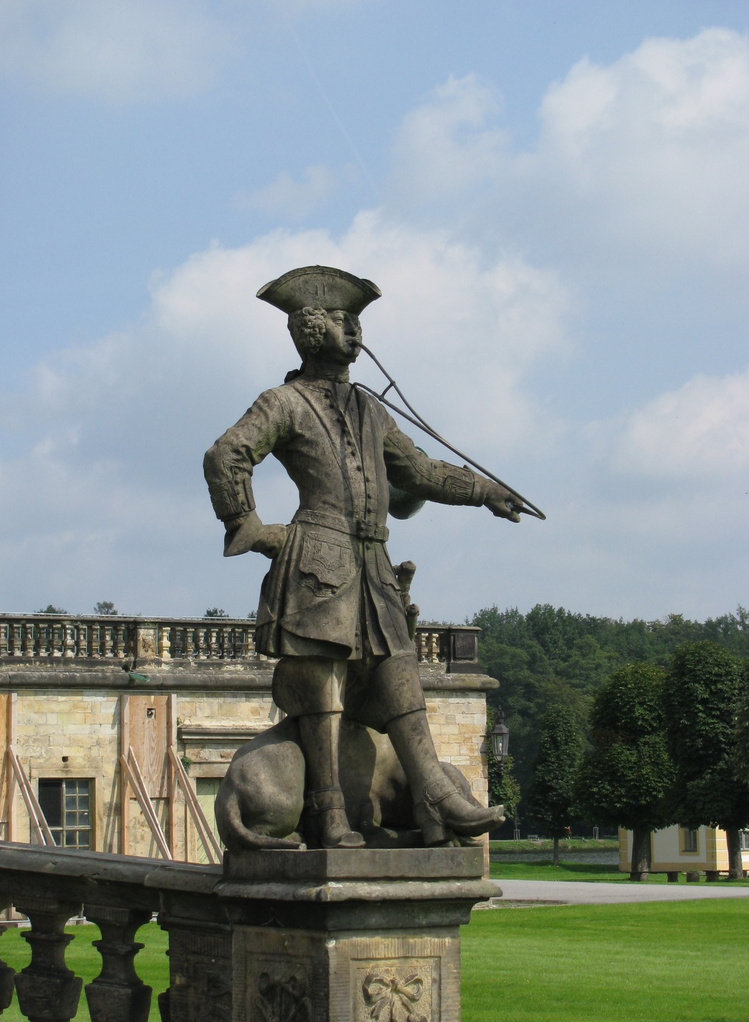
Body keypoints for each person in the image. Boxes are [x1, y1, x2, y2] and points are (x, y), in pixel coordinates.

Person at [204, 265, 523, 848]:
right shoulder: (285, 402)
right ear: (310, 330)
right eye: (343, 320)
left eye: (357, 322)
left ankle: (433, 790)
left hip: (374, 565)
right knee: (322, 689)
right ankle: (326, 812)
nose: (355, 331)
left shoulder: (371, 410)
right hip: (318, 564)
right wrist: (248, 526)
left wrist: (484, 491)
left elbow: (420, 472)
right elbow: (226, 454)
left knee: (401, 673)